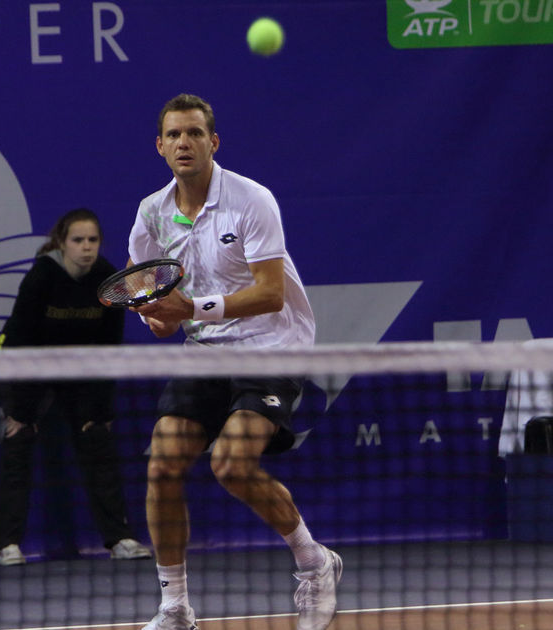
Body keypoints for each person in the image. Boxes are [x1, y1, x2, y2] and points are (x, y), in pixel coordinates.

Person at [128, 94, 341, 630]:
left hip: (271, 346)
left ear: (213, 142)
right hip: (205, 352)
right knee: (162, 466)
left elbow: (270, 293)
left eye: (195, 133)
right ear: (160, 146)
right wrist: (153, 316)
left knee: (231, 464)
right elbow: (138, 280)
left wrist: (190, 307)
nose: (184, 143)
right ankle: (174, 605)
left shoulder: (252, 200)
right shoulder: (152, 211)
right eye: (174, 135)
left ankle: (314, 564)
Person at [0, 208, 152, 566]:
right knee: (18, 443)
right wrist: (20, 410)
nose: (86, 248)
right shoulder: (42, 277)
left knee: (98, 442)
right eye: (78, 241)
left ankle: (120, 539)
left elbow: (109, 348)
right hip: (28, 366)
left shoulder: (108, 281)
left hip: (82, 372)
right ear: (62, 244)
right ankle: (7, 545)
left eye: (92, 240)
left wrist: (100, 410)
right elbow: (19, 339)